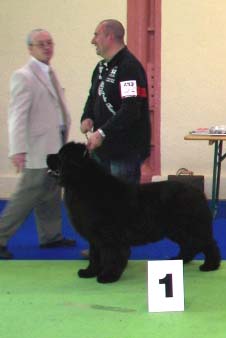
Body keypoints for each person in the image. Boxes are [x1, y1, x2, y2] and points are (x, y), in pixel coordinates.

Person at [0, 29, 76, 259]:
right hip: (37, 148)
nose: (46, 47)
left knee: (52, 192)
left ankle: (50, 236)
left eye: (49, 43)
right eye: (40, 44)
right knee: (27, 194)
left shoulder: (49, 72)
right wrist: (18, 150)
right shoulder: (23, 75)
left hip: (56, 144)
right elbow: (17, 115)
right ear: (30, 48)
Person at [80, 19, 151, 257]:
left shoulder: (130, 68)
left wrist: (102, 132)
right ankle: (102, 247)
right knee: (100, 201)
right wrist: (87, 117)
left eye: (96, 35)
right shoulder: (101, 68)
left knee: (121, 203)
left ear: (110, 37)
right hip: (103, 151)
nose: (92, 41)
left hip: (125, 150)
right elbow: (92, 98)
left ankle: (119, 251)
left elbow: (131, 109)